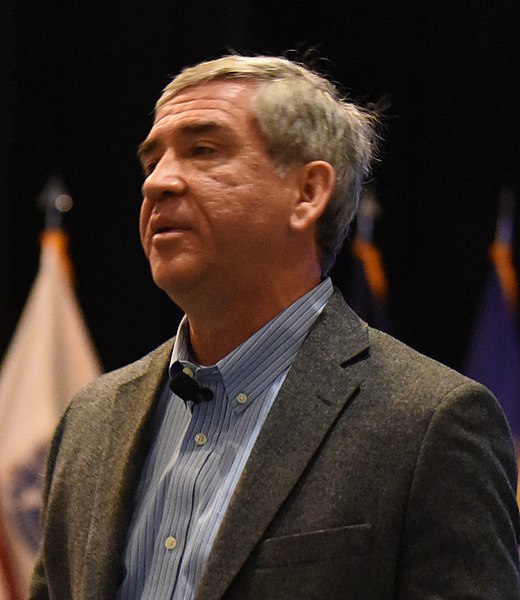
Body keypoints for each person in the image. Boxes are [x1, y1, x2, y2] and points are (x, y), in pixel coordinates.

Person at [30, 54, 520, 600]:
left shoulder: (431, 423)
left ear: (308, 193)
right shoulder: (89, 421)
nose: (158, 183)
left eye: (203, 150)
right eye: (151, 162)